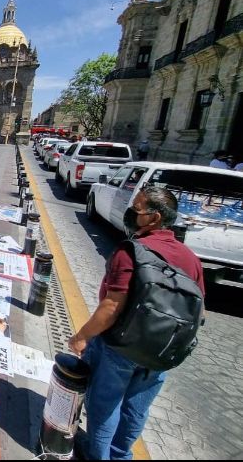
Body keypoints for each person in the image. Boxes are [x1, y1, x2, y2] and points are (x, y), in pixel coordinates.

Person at [67, 187, 205, 460]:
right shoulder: (190, 258)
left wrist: (81, 336)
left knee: (104, 406)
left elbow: (112, 306)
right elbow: (199, 313)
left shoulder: (131, 252)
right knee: (135, 410)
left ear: (154, 218)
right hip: (161, 352)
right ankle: (120, 455)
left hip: (121, 347)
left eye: (137, 208)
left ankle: (98, 455)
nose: (131, 211)